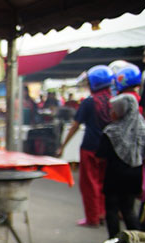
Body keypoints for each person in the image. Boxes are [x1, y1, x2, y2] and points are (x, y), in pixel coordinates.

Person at [58, 65, 114, 227]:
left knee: (90, 184)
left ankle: (92, 218)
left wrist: (63, 145)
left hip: (90, 148)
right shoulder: (115, 101)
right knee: (104, 183)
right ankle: (103, 213)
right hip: (109, 149)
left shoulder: (89, 103)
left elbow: (75, 126)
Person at [97, 94, 145, 239]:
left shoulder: (111, 131)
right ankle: (136, 240)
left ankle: (114, 241)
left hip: (113, 175)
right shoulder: (143, 129)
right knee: (128, 210)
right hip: (134, 175)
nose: (112, 113)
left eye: (114, 110)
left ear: (122, 111)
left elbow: (101, 155)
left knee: (111, 209)